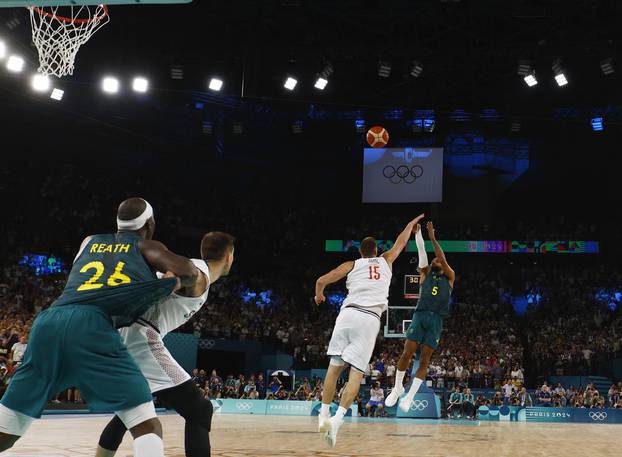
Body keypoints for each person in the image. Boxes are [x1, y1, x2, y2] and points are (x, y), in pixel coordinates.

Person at [0, 198, 199, 457]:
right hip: (91, 325)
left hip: (48, 322)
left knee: (6, 430)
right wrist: (168, 282)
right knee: (145, 424)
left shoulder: (88, 241)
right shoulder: (146, 245)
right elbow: (190, 272)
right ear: (149, 224)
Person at [95, 231, 235, 457]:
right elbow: (187, 276)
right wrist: (173, 281)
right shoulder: (199, 273)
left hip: (122, 335)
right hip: (141, 336)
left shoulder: (193, 267)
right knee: (199, 410)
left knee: (131, 410)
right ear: (229, 257)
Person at [314, 214, 424, 447]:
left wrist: (319, 294)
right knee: (355, 374)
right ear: (375, 250)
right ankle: (337, 421)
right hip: (369, 319)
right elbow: (401, 243)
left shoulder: (351, 264)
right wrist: (409, 225)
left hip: (347, 314)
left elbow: (323, 279)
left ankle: (323, 415)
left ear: (361, 252)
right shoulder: (386, 261)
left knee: (334, 368)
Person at [385, 222, 455, 412]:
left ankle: (410, 397)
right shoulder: (425, 273)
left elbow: (441, 256)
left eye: (438, 260)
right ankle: (397, 387)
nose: (436, 260)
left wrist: (433, 237)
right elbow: (422, 251)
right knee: (407, 352)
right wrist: (418, 235)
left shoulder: (450, 276)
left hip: (436, 320)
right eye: (434, 261)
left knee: (424, 360)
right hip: (421, 315)